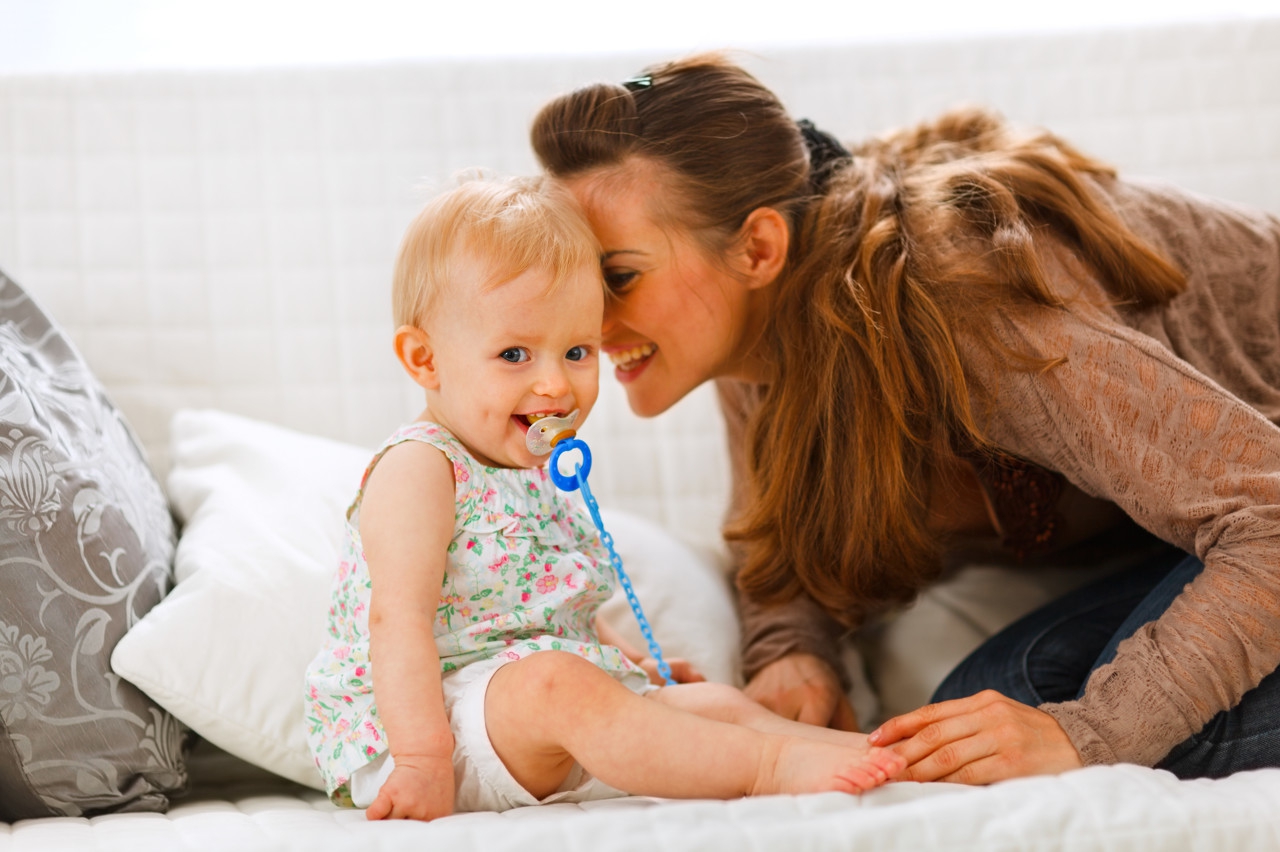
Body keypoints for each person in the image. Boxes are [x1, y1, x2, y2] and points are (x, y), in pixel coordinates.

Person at [529, 53, 1280, 785]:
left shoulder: (968, 310)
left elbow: (1268, 517)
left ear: (758, 248)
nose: (588, 320)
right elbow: (775, 545)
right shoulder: (750, 339)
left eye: (618, 275)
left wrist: (1090, 735)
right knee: (987, 711)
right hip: (1209, 525)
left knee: (1102, 733)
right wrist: (793, 652)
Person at [302, 175, 904, 821]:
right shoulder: (422, 468)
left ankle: (878, 752)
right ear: (425, 360)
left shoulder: (536, 468)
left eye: (577, 350)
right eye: (513, 354)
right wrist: (420, 761)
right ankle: (769, 769)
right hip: (428, 728)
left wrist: (631, 665)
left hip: (528, 715)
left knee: (714, 705)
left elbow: (562, 597)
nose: (555, 383)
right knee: (557, 685)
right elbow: (397, 624)